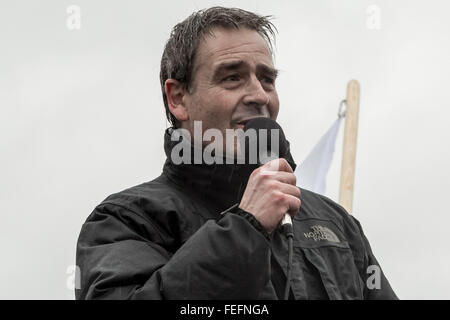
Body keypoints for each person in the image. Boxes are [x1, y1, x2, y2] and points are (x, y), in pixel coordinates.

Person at [75, 6, 398, 300]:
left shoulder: (335, 222)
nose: (259, 95)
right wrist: (246, 227)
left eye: (267, 80)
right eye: (232, 77)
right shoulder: (128, 219)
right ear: (178, 98)